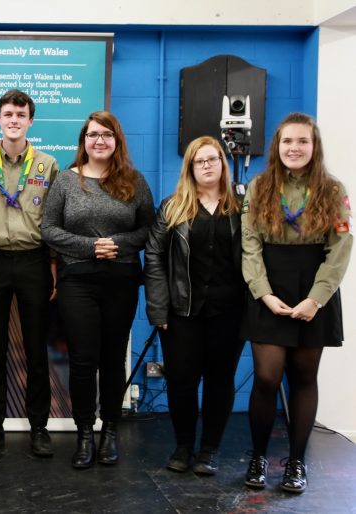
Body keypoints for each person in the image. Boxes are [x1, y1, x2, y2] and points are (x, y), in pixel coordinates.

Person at [241, 113, 352, 493]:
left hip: (313, 288)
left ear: (314, 146)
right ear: (277, 146)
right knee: (268, 378)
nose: (294, 148)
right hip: (269, 285)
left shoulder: (333, 191)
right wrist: (264, 293)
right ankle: (257, 458)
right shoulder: (259, 187)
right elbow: (250, 244)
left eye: (302, 141)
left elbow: (339, 250)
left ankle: (297, 463)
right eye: (288, 141)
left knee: (304, 377)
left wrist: (316, 299)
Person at [41, 111, 154, 469]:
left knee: (112, 358)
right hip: (78, 281)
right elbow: (48, 229)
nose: (99, 141)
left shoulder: (134, 182)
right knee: (83, 359)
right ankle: (85, 434)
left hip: (121, 281)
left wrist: (116, 244)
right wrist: (91, 248)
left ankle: (110, 433)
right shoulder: (65, 180)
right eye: (92, 135)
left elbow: (148, 230)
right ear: (83, 141)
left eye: (107, 135)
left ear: (117, 141)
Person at [144, 136, 244, 476]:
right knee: (181, 382)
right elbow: (155, 259)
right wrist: (158, 308)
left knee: (220, 381)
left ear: (222, 164)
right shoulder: (172, 207)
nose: (206, 166)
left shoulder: (241, 208)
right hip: (181, 312)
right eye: (199, 161)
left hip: (229, 313)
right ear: (190, 167)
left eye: (212, 159)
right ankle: (184, 446)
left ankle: (210, 450)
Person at [0, 89, 59, 457]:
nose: (14, 120)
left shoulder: (48, 164)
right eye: (8, 114)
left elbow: (53, 220)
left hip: (35, 262)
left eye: (21, 114)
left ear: (30, 121)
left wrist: (53, 265)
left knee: (37, 349)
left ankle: (39, 427)